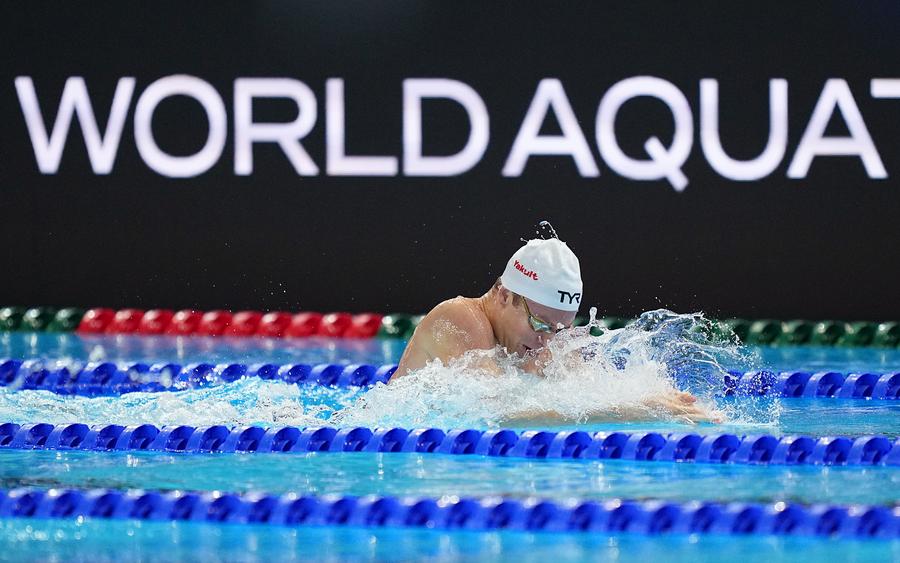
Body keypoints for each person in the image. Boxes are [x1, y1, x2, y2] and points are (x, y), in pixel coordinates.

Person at [393, 235, 719, 423]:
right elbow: (494, 412)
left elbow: (587, 395)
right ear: (505, 294)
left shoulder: (539, 343)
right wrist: (633, 411)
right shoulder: (460, 318)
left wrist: (660, 402)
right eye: (539, 323)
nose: (547, 339)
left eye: (559, 330)